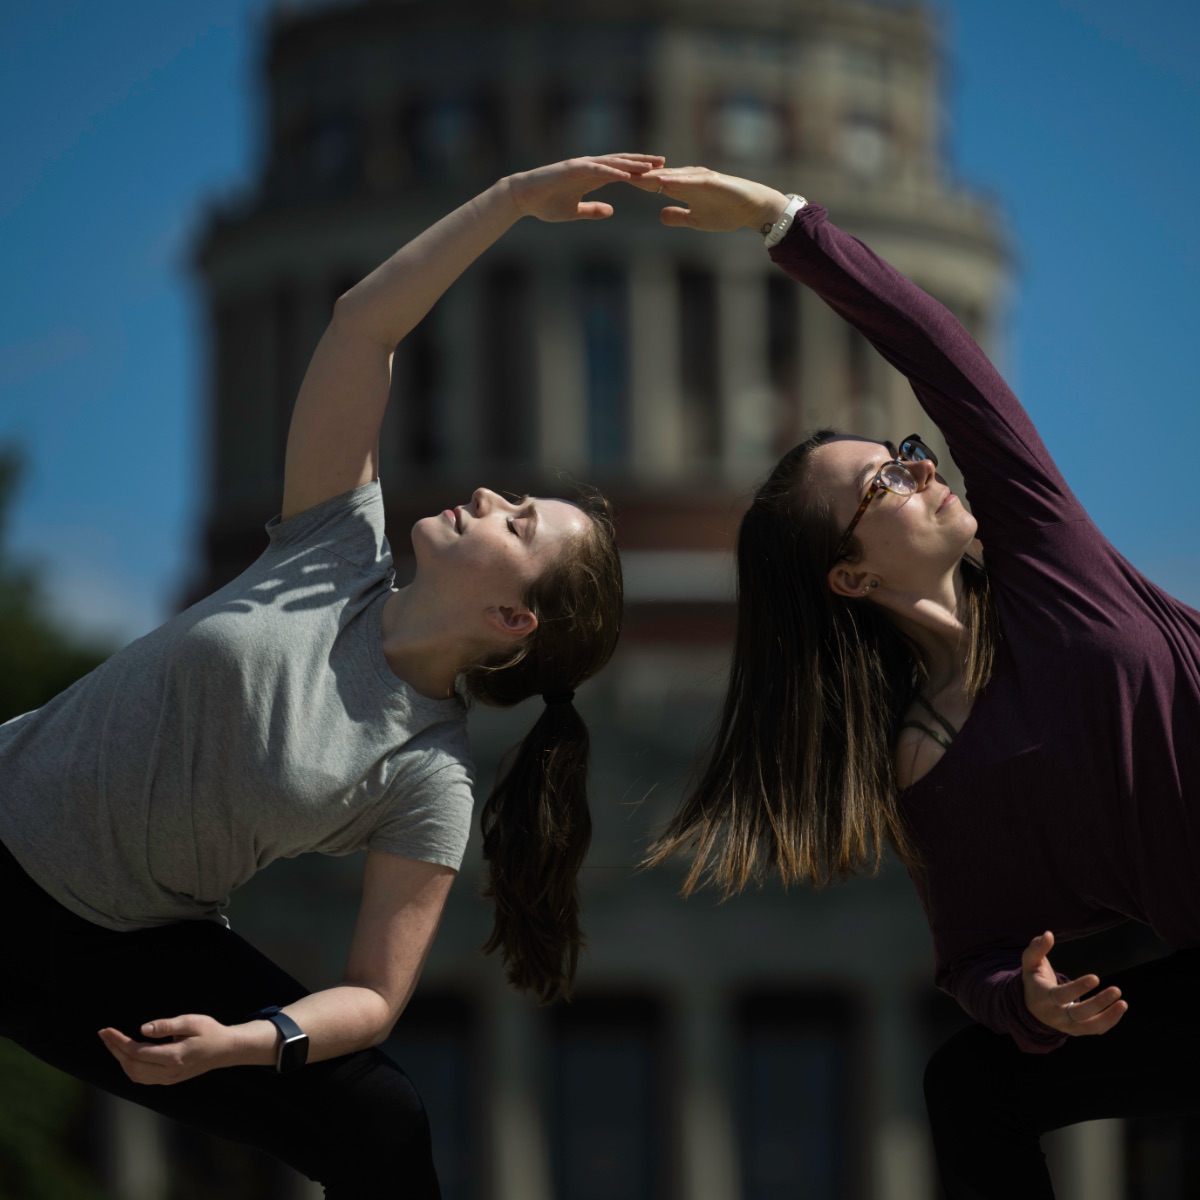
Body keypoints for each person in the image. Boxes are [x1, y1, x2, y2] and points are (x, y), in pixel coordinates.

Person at [0, 153, 656, 1198]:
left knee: (381, 1122)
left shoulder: (427, 776)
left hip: (120, 953)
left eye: (520, 522)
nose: (491, 495)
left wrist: (246, 1042)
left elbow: (374, 997)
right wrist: (507, 202)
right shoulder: (335, 547)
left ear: (512, 619)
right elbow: (363, 328)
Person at [635, 165, 1200, 1197]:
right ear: (850, 577)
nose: (923, 467)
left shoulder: (1049, 568)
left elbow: (944, 359)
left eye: (905, 451)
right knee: (972, 1087)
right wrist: (1026, 1003)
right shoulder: (926, 763)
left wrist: (785, 222)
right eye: (885, 482)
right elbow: (973, 953)